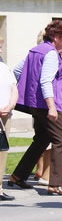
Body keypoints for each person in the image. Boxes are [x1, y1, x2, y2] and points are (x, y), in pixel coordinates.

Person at [9, 20, 62, 195]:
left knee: (42, 139)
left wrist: (29, 88)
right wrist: (52, 106)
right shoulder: (51, 54)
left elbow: (17, 71)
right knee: (60, 141)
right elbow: (45, 81)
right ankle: (55, 183)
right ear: (55, 37)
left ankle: (17, 176)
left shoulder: (35, 51)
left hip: (35, 104)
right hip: (47, 104)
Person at [0, 59, 18, 200]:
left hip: (5, 114)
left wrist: (10, 105)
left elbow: (14, 89)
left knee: (2, 152)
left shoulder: (4, 68)